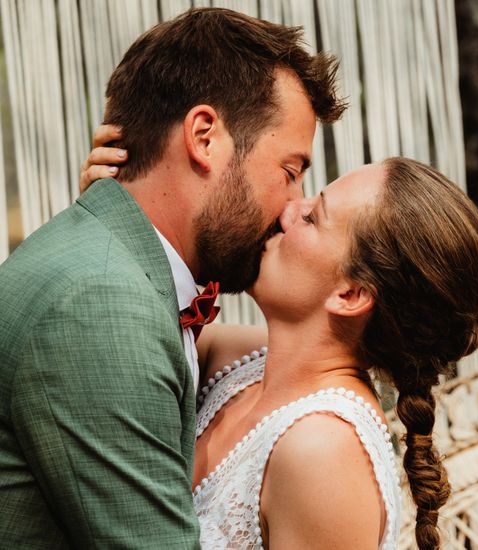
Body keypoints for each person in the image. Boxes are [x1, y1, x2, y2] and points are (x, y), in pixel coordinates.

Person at [0, 8, 344, 547]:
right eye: (290, 172)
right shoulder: (104, 302)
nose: (290, 207)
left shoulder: (119, 272)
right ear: (205, 137)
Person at [83, 150, 478, 548]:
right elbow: (132, 322)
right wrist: (122, 214)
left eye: (314, 217)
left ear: (351, 294)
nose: (288, 210)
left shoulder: (324, 453)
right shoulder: (239, 366)